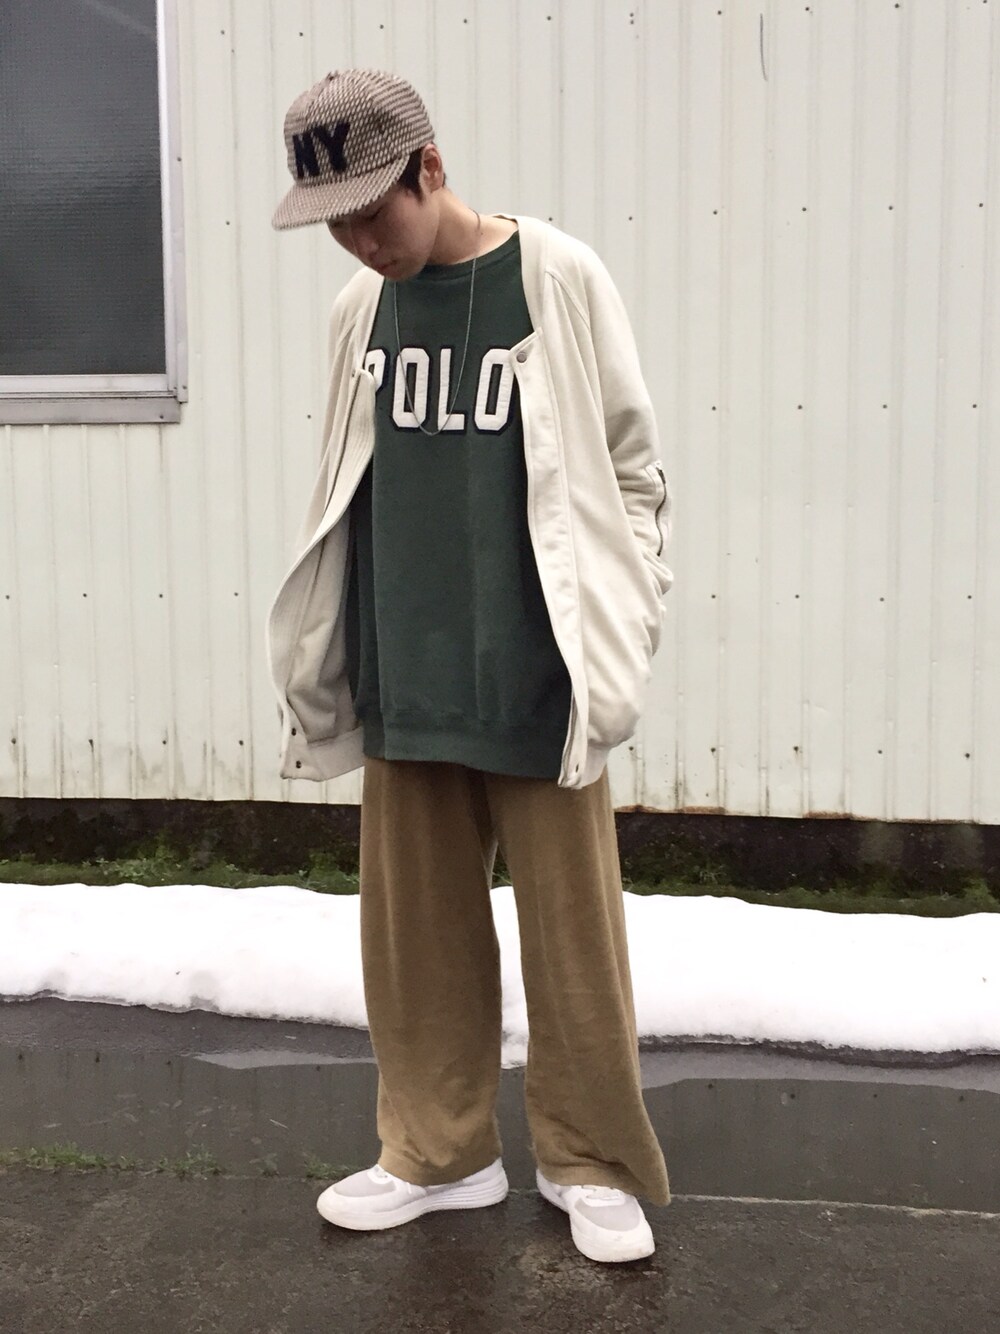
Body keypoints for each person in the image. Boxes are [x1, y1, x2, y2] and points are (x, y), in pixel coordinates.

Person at [267, 68, 673, 1265]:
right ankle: (438, 1152)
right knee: (416, 944)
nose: (359, 241)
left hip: (540, 674)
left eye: (371, 210)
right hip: (406, 665)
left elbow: (633, 467)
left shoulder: (554, 275)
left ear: (430, 168)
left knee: (574, 944)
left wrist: (627, 608)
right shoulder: (358, 311)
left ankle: (589, 1159)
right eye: (334, 222)